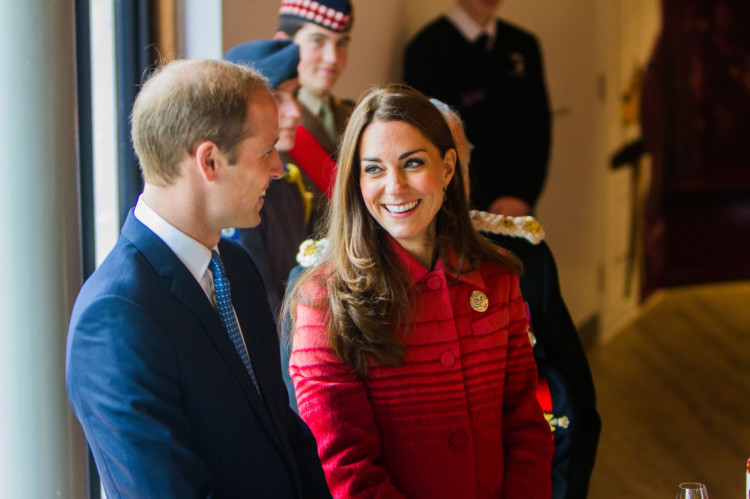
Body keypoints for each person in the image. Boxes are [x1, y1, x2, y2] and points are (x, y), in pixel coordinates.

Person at [65, 59, 331, 498]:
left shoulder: (238, 268)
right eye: (266, 151)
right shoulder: (115, 319)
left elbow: (285, 434)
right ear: (209, 160)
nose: (280, 169)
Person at [284, 83, 553, 498]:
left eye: (412, 163)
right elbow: (346, 466)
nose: (394, 186)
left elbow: (525, 426)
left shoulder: (498, 278)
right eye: (373, 168)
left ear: (448, 168)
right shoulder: (324, 300)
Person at [434, 99, 601, 499]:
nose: (443, 183)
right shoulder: (345, 279)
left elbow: (575, 402)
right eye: (422, 164)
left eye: (455, 166)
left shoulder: (523, 258)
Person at [404, 0, 551, 216]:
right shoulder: (426, 49)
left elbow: (538, 127)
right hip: (455, 209)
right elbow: (421, 137)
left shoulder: (523, 45)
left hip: (515, 209)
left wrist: (523, 196)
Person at [223, 39, 313, 317]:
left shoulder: (290, 181)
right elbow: (257, 300)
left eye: (295, 94)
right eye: (277, 97)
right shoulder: (230, 193)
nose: (295, 112)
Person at [275, 0, 355, 233]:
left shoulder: (353, 116)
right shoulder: (271, 126)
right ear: (284, 42)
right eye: (318, 41)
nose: (332, 57)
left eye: (342, 43)